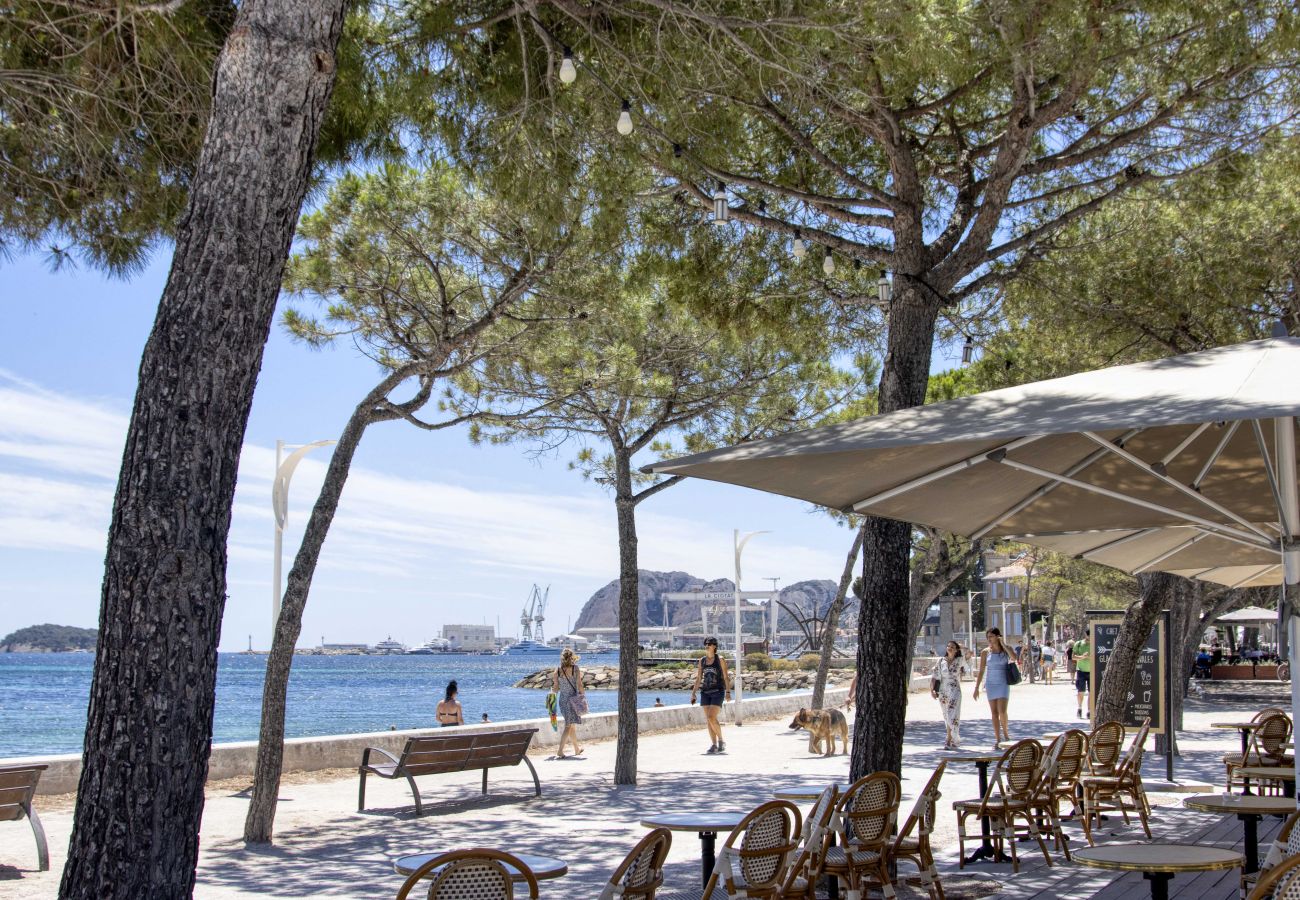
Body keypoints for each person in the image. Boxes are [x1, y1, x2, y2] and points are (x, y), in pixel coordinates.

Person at [691, 636, 732, 754]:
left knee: (711, 717)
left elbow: (725, 677)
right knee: (709, 720)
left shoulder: (720, 659)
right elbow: (699, 678)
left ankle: (721, 740)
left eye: (709, 643)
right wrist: (693, 693)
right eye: (705, 643)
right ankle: (714, 745)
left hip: (718, 691)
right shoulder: (702, 661)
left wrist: (728, 692)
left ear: (714, 646)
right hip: (705, 692)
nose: (706, 645)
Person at [973, 627, 1012, 749]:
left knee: (1002, 711)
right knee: (994, 713)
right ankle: (998, 739)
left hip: (1003, 682)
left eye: (991, 636)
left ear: (997, 636)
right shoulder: (985, 652)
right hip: (990, 683)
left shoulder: (1006, 649)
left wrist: (1003, 644)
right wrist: (976, 687)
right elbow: (981, 670)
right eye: (988, 637)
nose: (989, 639)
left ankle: (1006, 735)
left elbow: (1014, 658)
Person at [931, 641, 970, 749]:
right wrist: (932, 690)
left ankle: (949, 738)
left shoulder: (960, 660)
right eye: (948, 646)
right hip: (943, 690)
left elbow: (969, 654)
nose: (950, 648)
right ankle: (953, 738)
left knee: (952, 713)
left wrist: (963, 647)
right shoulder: (941, 661)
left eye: (952, 647)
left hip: (954, 689)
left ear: (956, 649)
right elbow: (935, 676)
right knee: (946, 715)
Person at [552, 647, 586, 758]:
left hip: (562, 700)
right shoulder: (575, 668)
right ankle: (560, 751)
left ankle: (576, 749)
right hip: (573, 700)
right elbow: (580, 684)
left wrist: (550, 698)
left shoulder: (557, 670)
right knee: (568, 725)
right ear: (571, 657)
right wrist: (583, 696)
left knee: (571, 726)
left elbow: (556, 688)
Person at [1072, 633, 1092, 719]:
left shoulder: (1095, 643)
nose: (1090, 638)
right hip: (1081, 671)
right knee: (1081, 692)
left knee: (1091, 692)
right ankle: (1079, 708)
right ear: (1086, 635)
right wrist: (1083, 657)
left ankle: (1089, 711)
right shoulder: (1079, 644)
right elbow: (1073, 657)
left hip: (1092, 671)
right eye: (1089, 636)